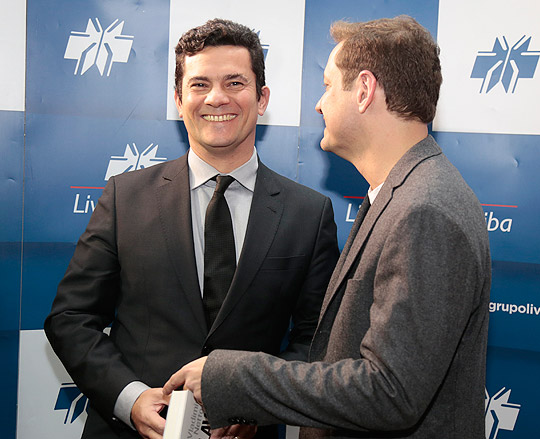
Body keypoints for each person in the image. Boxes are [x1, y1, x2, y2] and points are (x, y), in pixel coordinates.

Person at [164, 15, 491, 439]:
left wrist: (230, 376)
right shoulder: (402, 194)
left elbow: (390, 392)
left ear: (364, 90)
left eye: (328, 85)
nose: (319, 104)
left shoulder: (424, 209)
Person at [45, 18, 339, 439]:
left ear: (262, 98)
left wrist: (257, 403)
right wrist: (130, 399)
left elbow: (318, 338)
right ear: (179, 100)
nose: (217, 97)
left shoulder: (308, 213)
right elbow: (71, 318)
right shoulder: (125, 196)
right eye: (200, 84)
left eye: (235, 82)